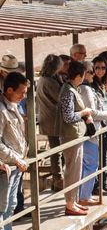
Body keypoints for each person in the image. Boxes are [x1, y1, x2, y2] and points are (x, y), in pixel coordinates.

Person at [0, 72, 31, 230]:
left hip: (15, 164)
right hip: (7, 165)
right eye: (21, 92)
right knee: (2, 205)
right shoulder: (1, 109)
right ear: (9, 90)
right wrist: (15, 158)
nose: (24, 96)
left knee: (10, 204)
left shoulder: (12, 106)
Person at [57, 61, 94, 216]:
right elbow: (68, 116)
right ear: (79, 75)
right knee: (72, 170)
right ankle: (70, 203)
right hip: (70, 136)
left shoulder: (71, 89)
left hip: (74, 135)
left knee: (75, 169)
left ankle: (73, 201)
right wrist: (84, 112)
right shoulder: (68, 91)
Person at [77, 61, 107, 207]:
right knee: (91, 164)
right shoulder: (86, 89)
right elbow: (93, 112)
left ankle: (83, 195)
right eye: (92, 71)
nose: (95, 73)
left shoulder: (81, 88)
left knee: (86, 164)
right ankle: (84, 196)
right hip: (91, 131)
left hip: (86, 131)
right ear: (84, 74)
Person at [36, 54, 64, 192]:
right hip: (53, 120)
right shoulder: (50, 82)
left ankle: (57, 179)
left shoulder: (44, 79)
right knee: (57, 151)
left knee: (56, 150)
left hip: (48, 119)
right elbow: (61, 97)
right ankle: (58, 179)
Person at [90, 56, 107, 196]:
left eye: (103, 68)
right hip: (99, 123)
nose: (100, 71)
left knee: (104, 155)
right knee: (97, 156)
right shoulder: (91, 85)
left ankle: (104, 184)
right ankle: (96, 185)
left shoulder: (106, 83)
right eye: (97, 68)